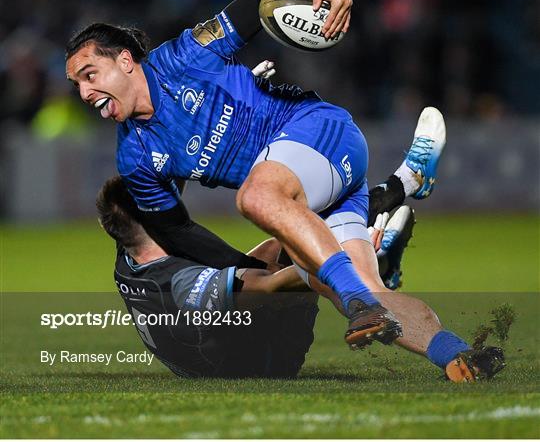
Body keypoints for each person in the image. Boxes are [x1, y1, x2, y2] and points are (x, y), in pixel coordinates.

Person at [65, 0, 489, 366]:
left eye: (90, 74)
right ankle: (458, 356)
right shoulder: (136, 158)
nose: (85, 92)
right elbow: (177, 232)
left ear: (124, 60)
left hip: (317, 130)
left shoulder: (183, 56)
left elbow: (260, 5)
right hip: (303, 190)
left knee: (259, 200)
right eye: (77, 84)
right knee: (355, 290)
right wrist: (247, 268)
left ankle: (385, 214)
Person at [97, 175, 504, 382]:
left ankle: (370, 236)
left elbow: (155, 183)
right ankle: (453, 355)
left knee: (293, 231)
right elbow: (272, 285)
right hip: (258, 361)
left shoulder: (130, 242)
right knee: (326, 268)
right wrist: (337, 262)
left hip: (215, 340)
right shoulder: (181, 285)